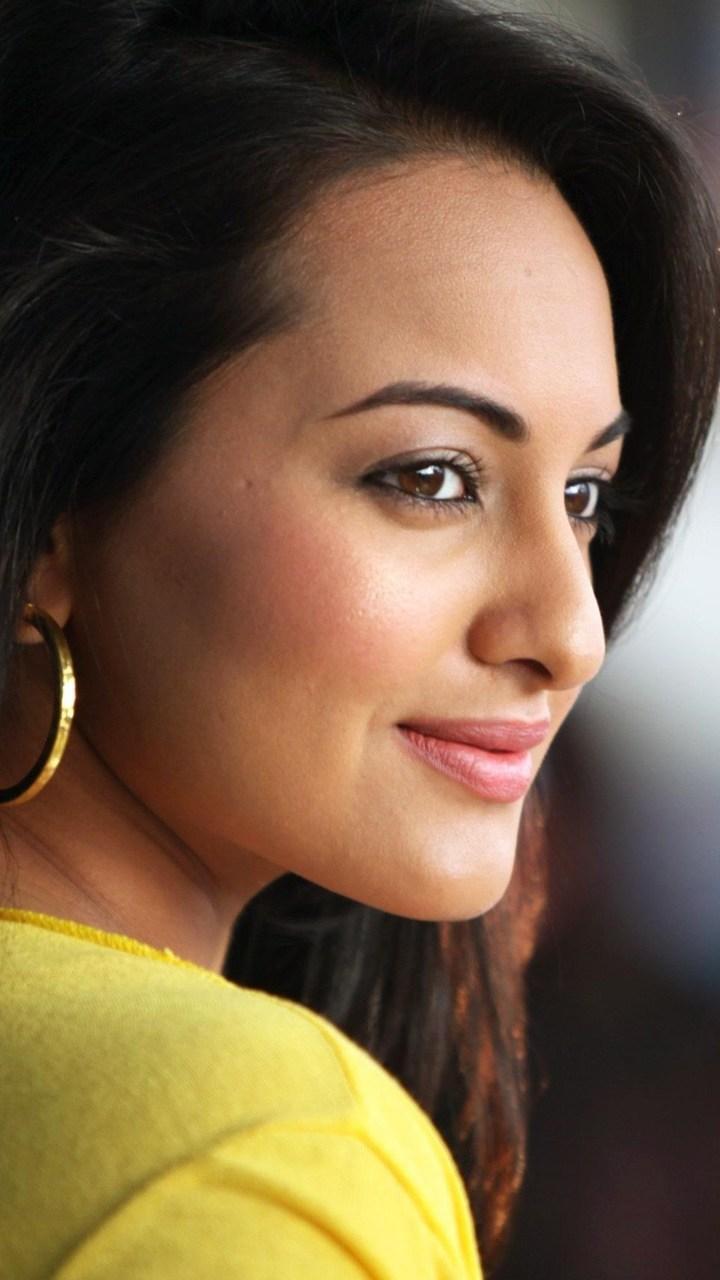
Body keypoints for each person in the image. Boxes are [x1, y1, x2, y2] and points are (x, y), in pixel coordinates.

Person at [0, 1, 718, 1276]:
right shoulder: (260, 1152)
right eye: (431, 478)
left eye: (585, 497)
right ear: (54, 502)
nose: (571, 633)